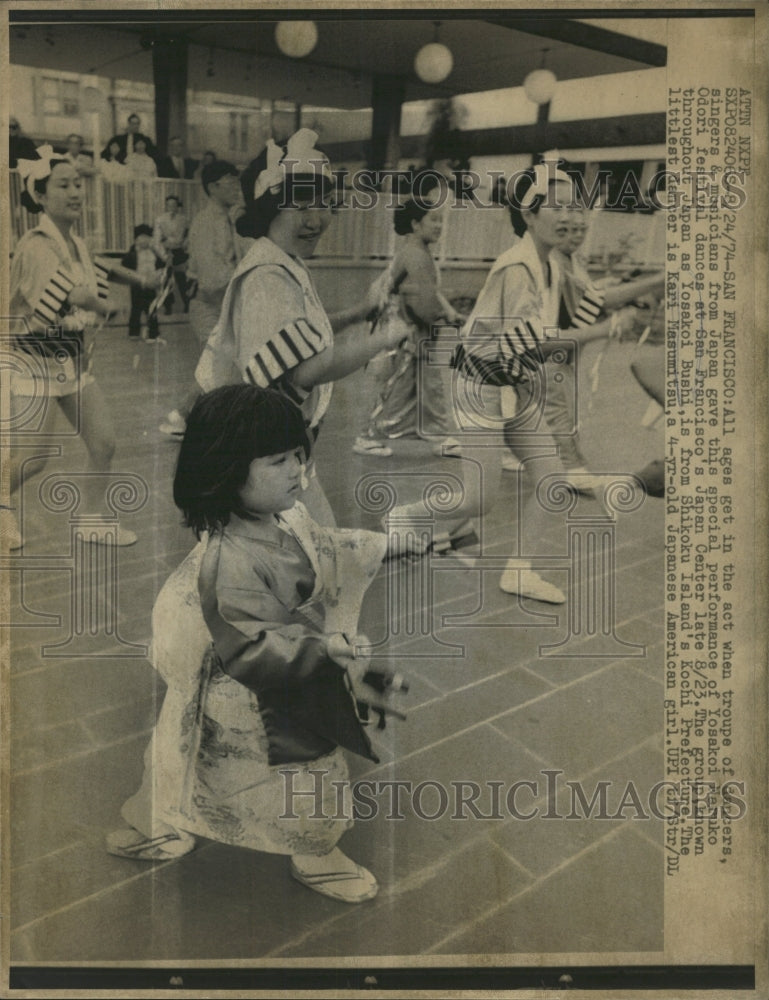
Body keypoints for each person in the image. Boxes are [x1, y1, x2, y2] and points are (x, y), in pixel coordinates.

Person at [107, 385, 415, 903]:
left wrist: (383, 546)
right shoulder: (226, 560)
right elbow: (249, 643)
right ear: (225, 471)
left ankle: (299, 847)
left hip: (282, 665)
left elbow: (326, 548)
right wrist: (325, 652)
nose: (298, 469)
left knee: (256, 770)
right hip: (245, 684)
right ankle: (188, 829)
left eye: (299, 454)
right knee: (237, 763)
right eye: (277, 460)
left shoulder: (286, 518)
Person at [386, 163, 640, 603]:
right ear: (529, 215)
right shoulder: (518, 267)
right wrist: (608, 329)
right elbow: (539, 346)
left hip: (511, 383)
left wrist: (659, 284)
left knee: (551, 479)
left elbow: (593, 300)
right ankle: (406, 516)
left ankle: (518, 571)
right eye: (557, 206)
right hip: (479, 383)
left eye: (575, 207)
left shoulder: (551, 263)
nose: (571, 217)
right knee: (479, 499)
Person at [193, 128, 412, 525]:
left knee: (301, 559)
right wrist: (387, 335)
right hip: (258, 455)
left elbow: (298, 339)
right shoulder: (267, 275)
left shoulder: (283, 260)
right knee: (303, 561)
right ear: (272, 205)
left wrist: (358, 314)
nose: (317, 219)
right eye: (302, 206)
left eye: (326, 204)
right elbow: (307, 367)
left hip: (274, 449)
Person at [4, 148, 158, 550]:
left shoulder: (75, 242)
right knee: (33, 460)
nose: (75, 192)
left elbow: (101, 268)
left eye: (78, 184)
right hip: (32, 364)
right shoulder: (36, 244)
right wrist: (105, 304)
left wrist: (141, 281)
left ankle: (90, 521)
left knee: (103, 442)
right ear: (40, 195)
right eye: (63, 185)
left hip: (70, 362)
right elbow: (71, 293)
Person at [538, 202, 665, 491]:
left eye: (581, 229)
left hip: (567, 347)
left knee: (560, 405)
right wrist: (657, 280)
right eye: (566, 230)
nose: (575, 235)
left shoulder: (572, 261)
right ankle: (573, 468)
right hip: (552, 347)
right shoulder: (554, 262)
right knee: (558, 408)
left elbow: (593, 295)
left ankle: (545, 458)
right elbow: (598, 300)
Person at [353, 179, 463, 459]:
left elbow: (430, 293)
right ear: (416, 225)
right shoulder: (414, 255)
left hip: (412, 330)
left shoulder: (416, 251)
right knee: (400, 385)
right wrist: (442, 317)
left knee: (427, 382)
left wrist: (446, 311)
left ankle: (437, 435)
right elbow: (421, 301)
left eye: (441, 220)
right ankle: (369, 436)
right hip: (406, 332)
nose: (439, 226)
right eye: (433, 220)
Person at [160, 160, 243, 437]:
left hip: (225, 302)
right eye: (229, 182)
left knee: (221, 364)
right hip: (209, 303)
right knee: (220, 363)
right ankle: (189, 418)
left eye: (236, 181)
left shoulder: (229, 219)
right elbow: (212, 277)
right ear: (213, 187)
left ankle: (183, 417)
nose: (235, 187)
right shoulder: (205, 223)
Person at [120, 224, 164, 341]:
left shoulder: (153, 252)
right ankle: (134, 332)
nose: (144, 240)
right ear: (136, 240)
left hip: (151, 283)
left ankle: (153, 333)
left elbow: (161, 264)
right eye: (140, 238)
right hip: (137, 283)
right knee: (136, 308)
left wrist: (158, 277)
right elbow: (124, 267)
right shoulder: (132, 253)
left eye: (147, 238)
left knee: (151, 308)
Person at [152, 194, 189, 314]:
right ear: (166, 206)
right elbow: (156, 239)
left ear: (178, 206)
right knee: (166, 279)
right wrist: (163, 255)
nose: (172, 207)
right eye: (169, 205)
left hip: (179, 251)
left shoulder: (184, 220)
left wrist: (185, 244)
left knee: (181, 278)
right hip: (165, 251)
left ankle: (187, 303)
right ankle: (168, 306)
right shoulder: (160, 219)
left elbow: (189, 235)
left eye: (174, 205)